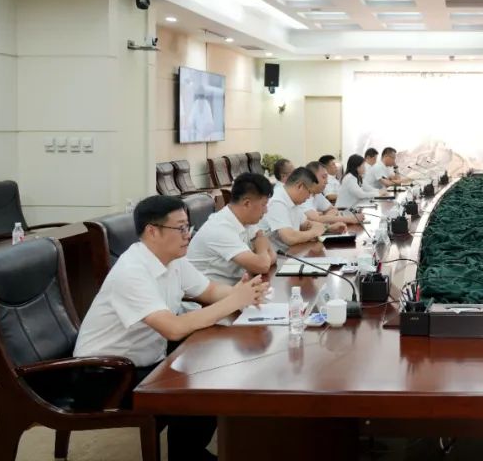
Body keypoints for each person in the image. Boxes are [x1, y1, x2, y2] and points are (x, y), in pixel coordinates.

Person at [74, 195, 269, 461]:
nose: (188, 235)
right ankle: (186, 454)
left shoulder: (173, 258)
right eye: (180, 228)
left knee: (213, 360)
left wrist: (243, 292)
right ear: (152, 231)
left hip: (145, 359)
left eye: (188, 227)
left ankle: (192, 449)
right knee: (199, 384)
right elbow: (173, 329)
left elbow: (210, 290)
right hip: (104, 375)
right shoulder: (132, 271)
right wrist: (234, 301)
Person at [186, 173, 276, 286]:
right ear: (247, 203)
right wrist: (262, 244)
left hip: (234, 287)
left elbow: (272, 257)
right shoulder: (220, 229)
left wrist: (261, 257)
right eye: (263, 205)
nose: (266, 210)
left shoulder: (246, 220)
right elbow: (262, 266)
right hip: (209, 294)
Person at [261, 167, 328, 251]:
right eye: (309, 192)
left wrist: (324, 227)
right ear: (300, 186)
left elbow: (305, 224)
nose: (309, 197)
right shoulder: (277, 201)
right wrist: (314, 232)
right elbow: (289, 237)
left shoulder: (294, 200)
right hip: (277, 256)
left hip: (291, 252)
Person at [303, 161, 358, 229]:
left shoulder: (317, 194)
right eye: (323, 177)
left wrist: (324, 218)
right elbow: (316, 220)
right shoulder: (303, 196)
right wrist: (350, 219)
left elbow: (333, 209)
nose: (326, 182)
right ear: (311, 178)